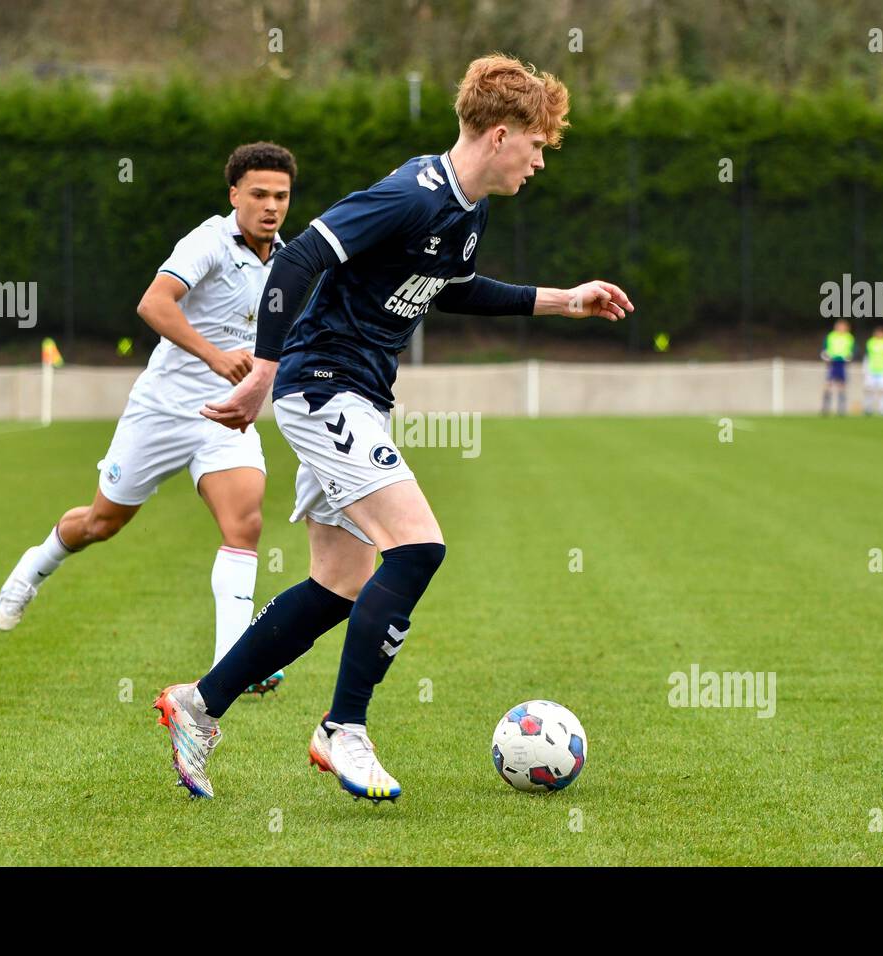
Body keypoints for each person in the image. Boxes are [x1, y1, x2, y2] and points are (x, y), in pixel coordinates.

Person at [152, 55, 633, 802]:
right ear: (501, 135)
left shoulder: (467, 210)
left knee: (337, 583)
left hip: (358, 395)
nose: (541, 161)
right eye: (537, 145)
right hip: (322, 386)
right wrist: (266, 371)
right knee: (417, 547)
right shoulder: (411, 193)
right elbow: (299, 260)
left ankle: (198, 705)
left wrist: (564, 299)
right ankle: (342, 727)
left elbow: (457, 289)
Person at [0, 143, 298, 696]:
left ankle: (233, 661)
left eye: (280, 195)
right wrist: (215, 356)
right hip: (162, 409)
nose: (271, 205)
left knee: (246, 523)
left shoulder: (290, 258)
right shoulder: (208, 239)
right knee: (101, 524)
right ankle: (33, 568)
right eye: (258, 194)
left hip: (226, 415)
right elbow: (154, 304)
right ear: (235, 195)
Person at [820, 319, 854, 416]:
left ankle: (841, 408)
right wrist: (826, 357)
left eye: (843, 326)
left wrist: (849, 357)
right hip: (832, 363)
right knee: (828, 384)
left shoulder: (849, 337)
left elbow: (852, 350)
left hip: (842, 363)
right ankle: (825, 408)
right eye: (839, 326)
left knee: (842, 385)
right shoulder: (831, 336)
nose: (841, 328)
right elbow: (825, 349)